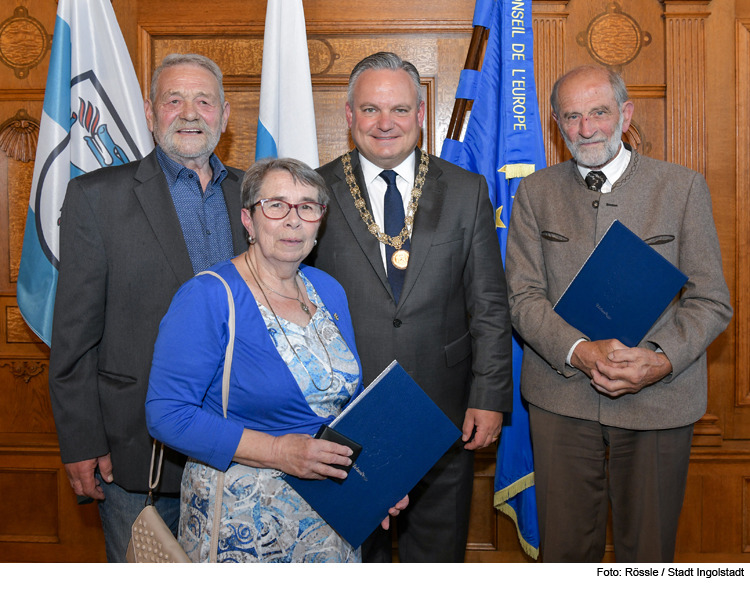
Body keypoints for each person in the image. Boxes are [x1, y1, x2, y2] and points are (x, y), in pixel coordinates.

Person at [506, 65, 733, 562]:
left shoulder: (682, 188)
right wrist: (579, 351)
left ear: (625, 115)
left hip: (659, 401)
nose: (586, 129)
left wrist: (658, 359)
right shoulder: (534, 193)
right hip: (561, 400)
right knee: (565, 554)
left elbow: (711, 300)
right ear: (555, 123)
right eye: (571, 117)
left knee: (648, 556)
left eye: (598, 112)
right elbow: (522, 299)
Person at [145, 157, 407, 562]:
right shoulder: (209, 296)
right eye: (276, 205)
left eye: (307, 207)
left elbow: (342, 410)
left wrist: (375, 484)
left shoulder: (328, 290)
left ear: (320, 221)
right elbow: (167, 414)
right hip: (243, 525)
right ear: (249, 220)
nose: (293, 220)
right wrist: (279, 452)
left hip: (329, 518)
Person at [310, 52, 513, 563]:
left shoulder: (466, 191)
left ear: (422, 116)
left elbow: (488, 304)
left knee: (438, 559)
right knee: (358, 559)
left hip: (442, 414)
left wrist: (488, 396)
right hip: (343, 421)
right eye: (371, 109)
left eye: (400, 110)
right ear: (349, 114)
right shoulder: (311, 193)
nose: (386, 123)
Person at [48, 54, 246, 562]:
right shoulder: (97, 197)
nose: (189, 113)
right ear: (150, 111)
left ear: (225, 116)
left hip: (247, 451)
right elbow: (74, 338)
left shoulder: (258, 195)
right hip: (135, 453)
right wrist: (81, 442)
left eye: (204, 100)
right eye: (173, 99)